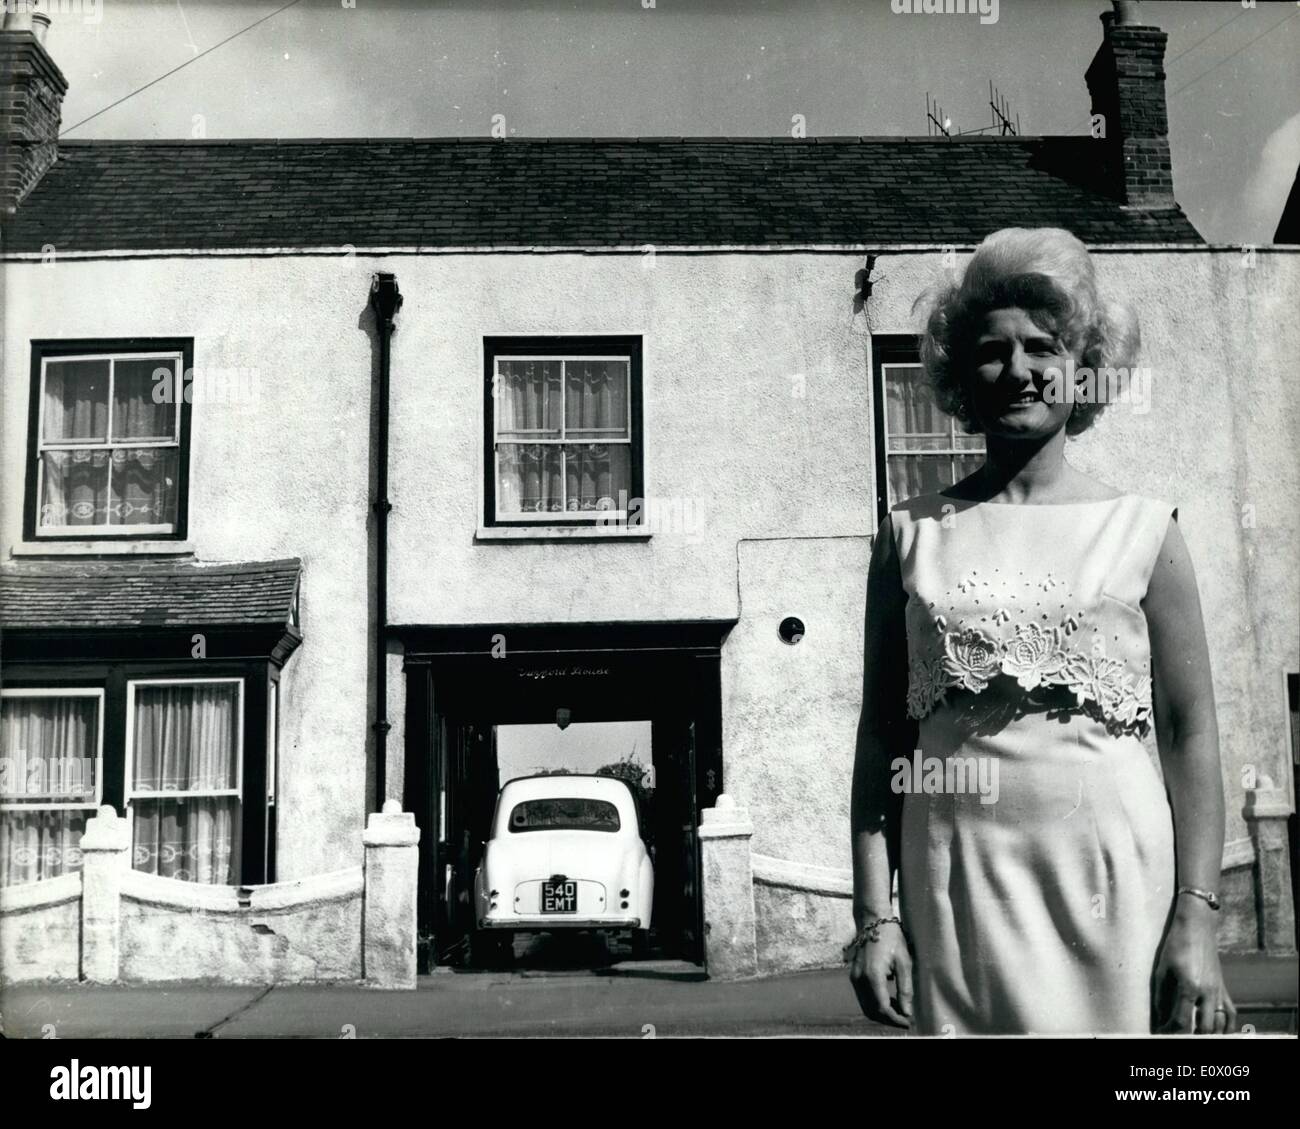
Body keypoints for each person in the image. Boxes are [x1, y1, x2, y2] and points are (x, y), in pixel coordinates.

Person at [847, 227, 1235, 1035]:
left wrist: (1197, 916)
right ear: (962, 373)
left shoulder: (1146, 531)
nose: (1018, 369)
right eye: (993, 350)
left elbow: (1191, 733)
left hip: (1118, 880)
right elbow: (881, 738)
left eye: (1042, 346)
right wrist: (875, 917)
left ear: (1082, 363)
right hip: (958, 885)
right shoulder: (909, 535)